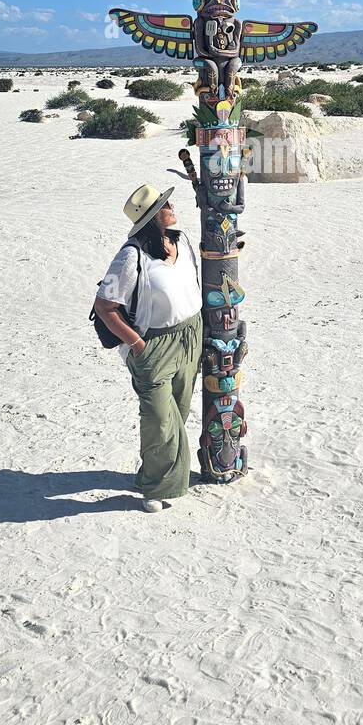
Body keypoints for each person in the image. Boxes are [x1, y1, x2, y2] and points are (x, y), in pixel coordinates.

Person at [95, 184, 202, 512]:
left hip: (190, 335)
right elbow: (105, 306)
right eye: (165, 204)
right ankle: (156, 487)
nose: (172, 206)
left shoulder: (180, 240)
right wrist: (137, 343)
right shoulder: (131, 255)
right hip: (153, 344)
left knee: (178, 412)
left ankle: (156, 473)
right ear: (153, 217)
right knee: (159, 418)